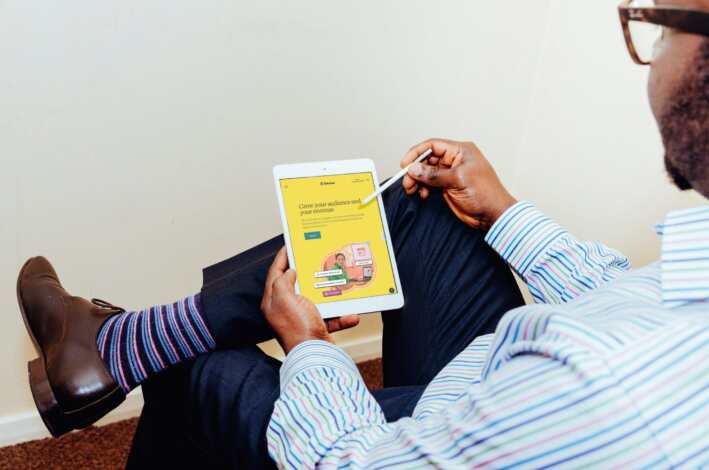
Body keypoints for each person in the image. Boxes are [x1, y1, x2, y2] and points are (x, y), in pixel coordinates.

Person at [14, 0, 708, 467]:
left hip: (429, 436)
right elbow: (635, 298)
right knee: (423, 203)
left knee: (203, 366)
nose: (653, 53)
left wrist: (310, 348)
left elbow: (351, 461)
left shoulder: (613, 386)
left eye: (661, 25)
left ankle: (124, 348)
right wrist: (504, 210)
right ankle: (109, 348)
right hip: (497, 391)